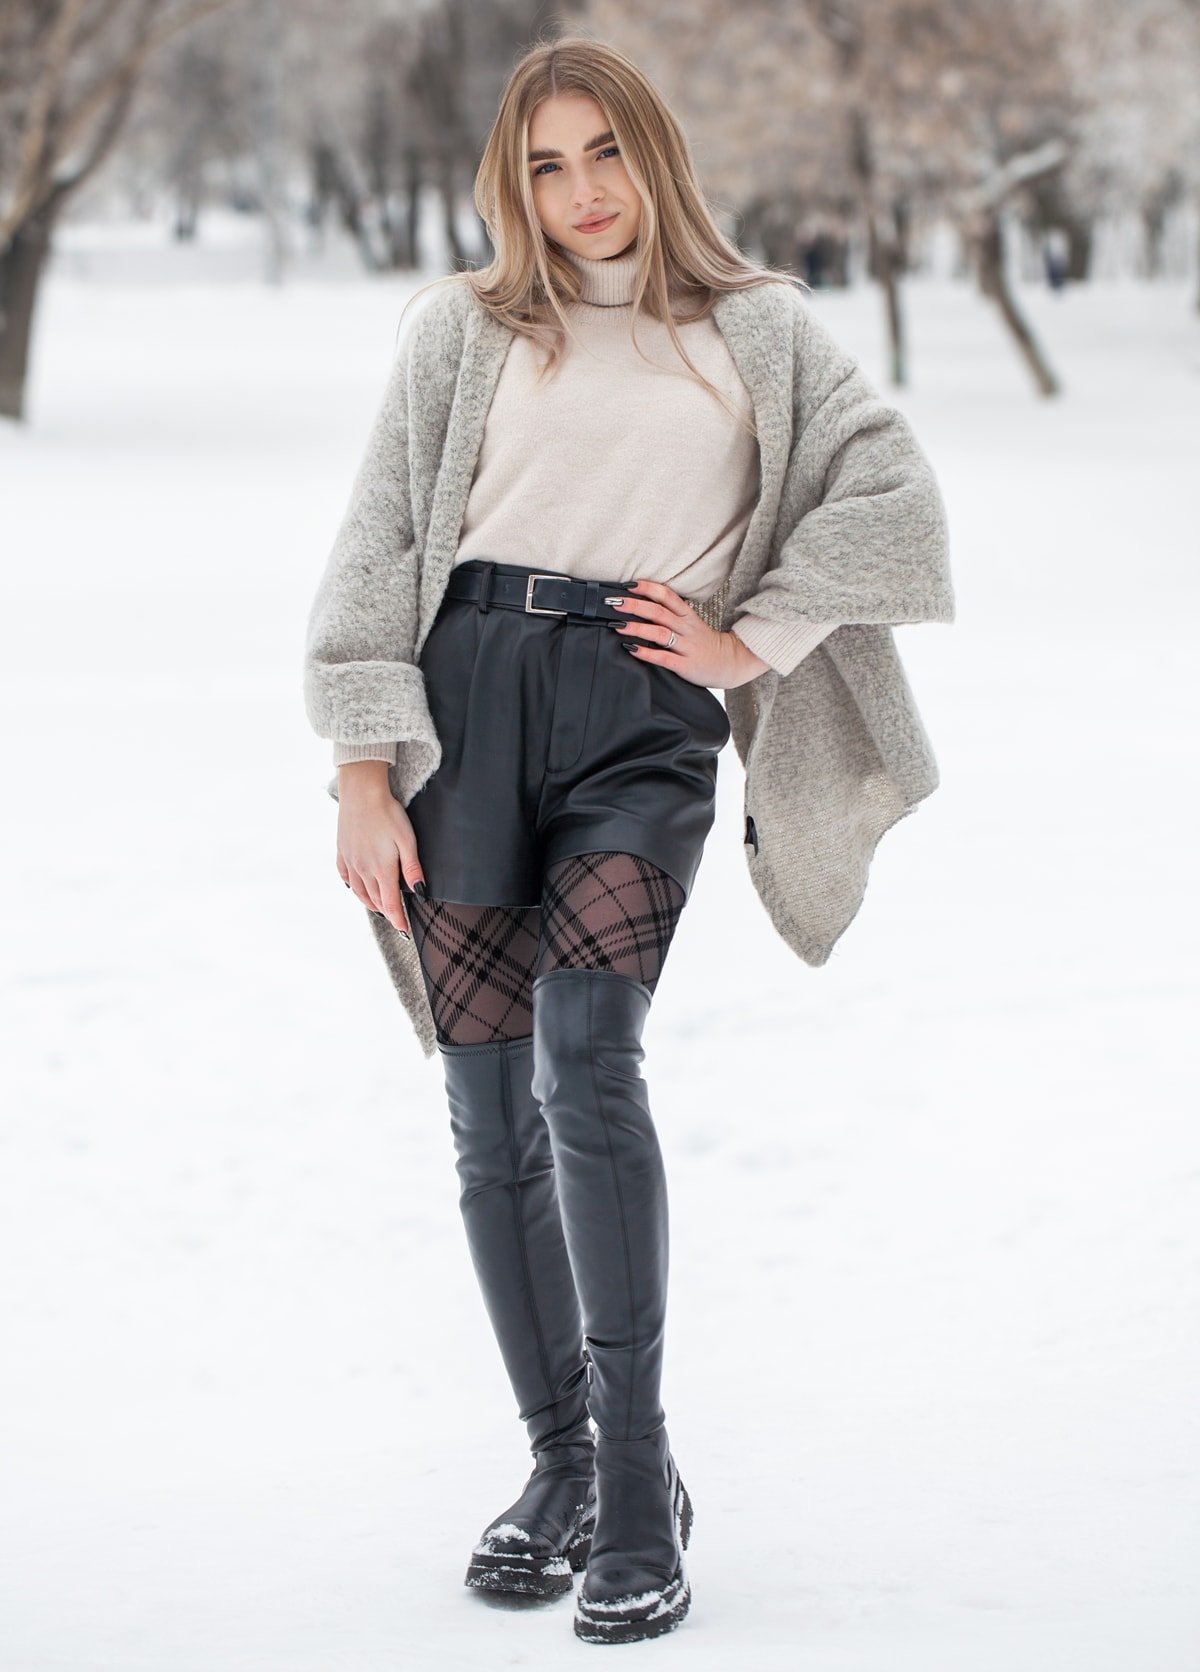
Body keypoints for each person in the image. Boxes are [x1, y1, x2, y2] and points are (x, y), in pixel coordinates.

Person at [303, 34, 953, 1648]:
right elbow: (382, 536)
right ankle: (562, 1468)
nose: (580, 192)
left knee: (587, 1061)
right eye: (544, 163)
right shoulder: (461, 332)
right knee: (483, 1107)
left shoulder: (759, 330)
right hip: (463, 706)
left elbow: (896, 497)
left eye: (603, 153)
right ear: (512, 182)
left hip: (637, 720)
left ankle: (644, 1475)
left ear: (653, 154)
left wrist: (764, 636)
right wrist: (360, 769)